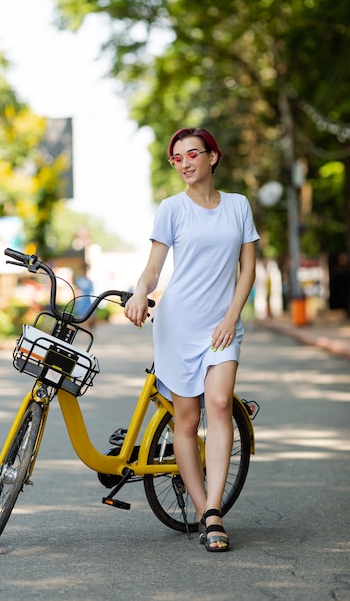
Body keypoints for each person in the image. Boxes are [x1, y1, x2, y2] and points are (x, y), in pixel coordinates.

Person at [124, 127, 259, 552]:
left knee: (218, 404)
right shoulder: (171, 209)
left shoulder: (238, 206)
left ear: (213, 157)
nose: (184, 163)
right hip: (178, 325)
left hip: (222, 326)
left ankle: (214, 509)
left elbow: (248, 269)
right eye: (176, 157)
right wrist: (140, 291)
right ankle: (205, 512)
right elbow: (153, 269)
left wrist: (231, 317)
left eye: (192, 154)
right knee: (185, 421)